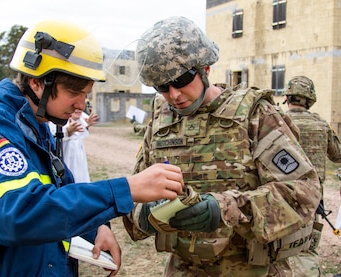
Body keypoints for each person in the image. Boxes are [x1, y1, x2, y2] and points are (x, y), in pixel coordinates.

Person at [0, 20, 184, 277]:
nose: (81, 104)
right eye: (73, 92)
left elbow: (60, 193)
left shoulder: (37, 126)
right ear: (37, 83)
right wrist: (127, 188)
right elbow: (17, 216)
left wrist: (97, 228)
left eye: (86, 93)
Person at [123, 16, 322, 276]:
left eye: (182, 80)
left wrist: (226, 209)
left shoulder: (255, 115)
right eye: (162, 86)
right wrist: (145, 214)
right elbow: (133, 195)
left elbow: (304, 192)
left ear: (205, 68)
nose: (173, 95)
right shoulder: (161, 119)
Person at [283, 75, 341, 183]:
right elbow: (337, 156)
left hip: (284, 193)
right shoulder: (321, 124)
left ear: (287, 98)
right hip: (314, 193)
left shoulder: (276, 122)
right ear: (310, 100)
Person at [49, 109, 98, 183]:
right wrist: (67, 131)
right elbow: (53, 139)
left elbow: (80, 134)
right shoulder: (57, 122)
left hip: (79, 166)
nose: (79, 109)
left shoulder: (78, 119)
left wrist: (86, 125)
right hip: (66, 165)